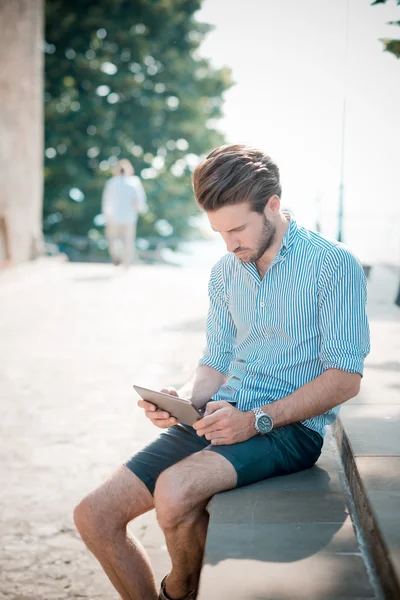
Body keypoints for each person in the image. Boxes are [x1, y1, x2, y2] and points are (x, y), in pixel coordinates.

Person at [74, 144, 370, 600]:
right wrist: (184, 402)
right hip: (219, 417)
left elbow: (345, 379)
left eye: (237, 228)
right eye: (218, 232)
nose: (230, 244)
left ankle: (179, 592)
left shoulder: (334, 266)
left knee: (175, 490)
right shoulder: (224, 272)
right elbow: (216, 360)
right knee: (93, 515)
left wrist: (256, 420)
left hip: (289, 429)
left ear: (272, 205)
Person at [102, 159, 147, 268]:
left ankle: (116, 255)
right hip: (129, 217)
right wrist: (139, 210)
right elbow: (139, 200)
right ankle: (126, 263)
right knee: (128, 241)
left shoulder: (111, 182)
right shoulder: (134, 182)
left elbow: (106, 201)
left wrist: (106, 215)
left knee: (113, 239)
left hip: (113, 217)